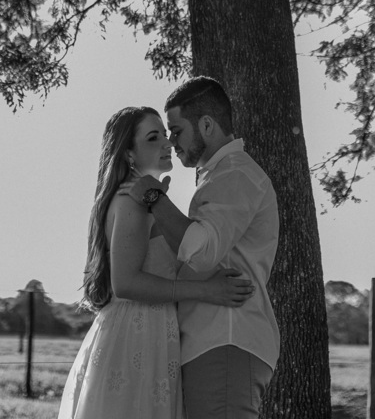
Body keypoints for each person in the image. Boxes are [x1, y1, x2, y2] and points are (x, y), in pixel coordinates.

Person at [58, 106, 255, 419]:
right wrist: (207, 291)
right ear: (128, 154)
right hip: (136, 334)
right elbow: (126, 283)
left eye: (165, 134)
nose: (167, 143)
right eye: (153, 138)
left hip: (153, 332)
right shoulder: (132, 201)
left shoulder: (145, 199)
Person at [124, 77, 280, 419]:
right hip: (214, 342)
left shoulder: (235, 175)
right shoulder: (220, 175)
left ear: (207, 125)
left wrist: (154, 197)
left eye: (176, 130)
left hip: (225, 339)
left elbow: (201, 250)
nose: (171, 142)